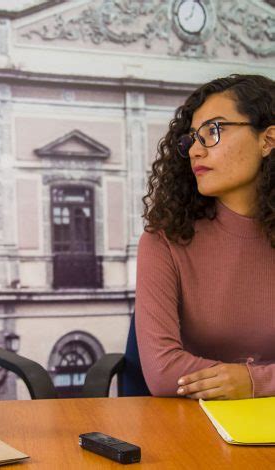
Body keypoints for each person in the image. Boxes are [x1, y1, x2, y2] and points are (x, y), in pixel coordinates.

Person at [135, 74, 275, 400]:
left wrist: (253, 382)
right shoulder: (165, 240)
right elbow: (163, 371)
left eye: (212, 131)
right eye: (192, 140)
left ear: (268, 140)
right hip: (195, 428)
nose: (196, 151)